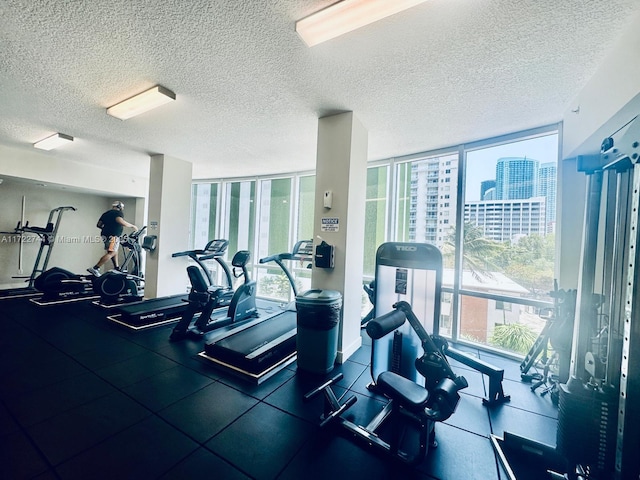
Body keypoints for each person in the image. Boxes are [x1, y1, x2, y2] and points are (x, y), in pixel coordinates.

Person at [87, 201, 137, 277]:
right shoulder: (118, 213)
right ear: (119, 207)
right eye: (122, 207)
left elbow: (99, 225)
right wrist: (132, 226)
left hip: (105, 235)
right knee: (112, 252)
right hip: (113, 236)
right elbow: (120, 221)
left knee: (113, 251)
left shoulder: (106, 213)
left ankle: (116, 268)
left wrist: (108, 228)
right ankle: (95, 268)